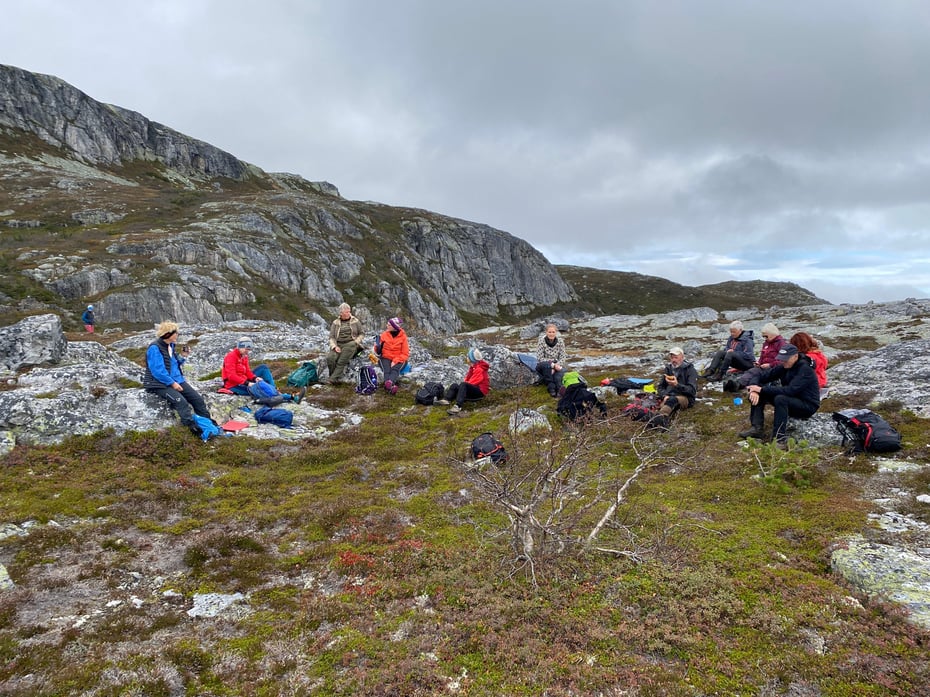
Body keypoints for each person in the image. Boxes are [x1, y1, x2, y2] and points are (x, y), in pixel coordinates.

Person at [738, 344, 821, 447]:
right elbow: (761, 376)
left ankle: (779, 438)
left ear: (795, 356)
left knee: (780, 398)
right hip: (792, 400)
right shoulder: (785, 366)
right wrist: (754, 389)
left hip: (807, 405)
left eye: (786, 359)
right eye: (782, 359)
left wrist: (761, 389)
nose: (783, 361)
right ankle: (756, 429)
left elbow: (790, 390)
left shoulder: (805, 369)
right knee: (761, 394)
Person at [142, 321, 215, 437]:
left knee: (198, 400)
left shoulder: (170, 346)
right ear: (168, 334)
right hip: (159, 384)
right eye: (176, 332)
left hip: (177, 380)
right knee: (181, 402)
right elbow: (157, 371)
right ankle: (191, 428)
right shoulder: (155, 348)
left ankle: (208, 424)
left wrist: (183, 357)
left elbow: (173, 364)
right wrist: (172, 383)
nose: (178, 335)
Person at [222, 337, 300, 402]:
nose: (247, 351)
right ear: (240, 346)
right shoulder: (231, 357)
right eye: (246, 349)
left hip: (244, 380)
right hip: (234, 385)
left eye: (249, 349)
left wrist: (254, 378)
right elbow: (231, 376)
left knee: (263, 368)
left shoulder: (244, 356)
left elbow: (247, 371)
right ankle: (290, 397)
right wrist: (247, 383)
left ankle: (274, 390)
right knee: (260, 390)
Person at [647, 347, 699, 430]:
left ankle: (660, 419)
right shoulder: (668, 369)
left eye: (676, 357)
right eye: (672, 357)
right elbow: (660, 387)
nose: (673, 360)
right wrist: (664, 395)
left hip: (686, 398)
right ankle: (655, 418)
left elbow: (692, 391)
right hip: (669, 396)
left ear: (682, 357)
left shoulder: (690, 370)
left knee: (672, 400)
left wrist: (677, 385)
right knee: (650, 399)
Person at [724, 323, 787, 391]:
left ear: (772, 334)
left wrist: (769, 365)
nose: (764, 338)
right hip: (763, 367)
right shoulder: (766, 343)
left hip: (774, 368)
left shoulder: (781, 343)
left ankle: (741, 386)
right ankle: (737, 384)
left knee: (756, 375)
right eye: (763, 336)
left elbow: (782, 360)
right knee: (751, 371)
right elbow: (762, 356)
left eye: (766, 336)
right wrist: (759, 363)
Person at [439, 348, 490, 415]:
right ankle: (447, 399)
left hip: (480, 392)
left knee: (463, 385)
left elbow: (473, 382)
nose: (466, 358)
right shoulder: (473, 367)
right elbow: (468, 380)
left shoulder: (479, 369)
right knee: (454, 385)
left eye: (468, 356)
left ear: (471, 359)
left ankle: (458, 406)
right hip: (474, 389)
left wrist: (462, 388)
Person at [326, 303, 365, 383]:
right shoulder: (335, 322)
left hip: (351, 344)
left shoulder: (355, 321)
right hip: (338, 344)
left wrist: (356, 342)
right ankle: (333, 377)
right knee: (331, 358)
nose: (349, 313)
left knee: (341, 361)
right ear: (341, 313)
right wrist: (334, 347)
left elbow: (362, 333)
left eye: (349, 311)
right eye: (346, 312)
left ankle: (331, 379)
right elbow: (331, 337)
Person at [375, 317, 409, 395]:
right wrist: (377, 346)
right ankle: (390, 386)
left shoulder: (403, 337)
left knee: (394, 370)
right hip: (385, 357)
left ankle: (388, 384)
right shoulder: (384, 335)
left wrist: (395, 361)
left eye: (389, 325)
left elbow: (405, 353)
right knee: (387, 370)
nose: (387, 326)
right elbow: (378, 352)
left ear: (394, 327)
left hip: (399, 358)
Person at [535, 323, 568, 397]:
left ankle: (559, 391)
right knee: (547, 367)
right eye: (549, 332)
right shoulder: (541, 341)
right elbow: (540, 358)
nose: (551, 334)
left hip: (557, 364)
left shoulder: (560, 342)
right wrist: (552, 365)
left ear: (556, 332)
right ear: (546, 332)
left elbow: (563, 357)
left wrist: (557, 365)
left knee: (558, 375)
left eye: (553, 332)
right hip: (544, 364)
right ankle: (551, 388)